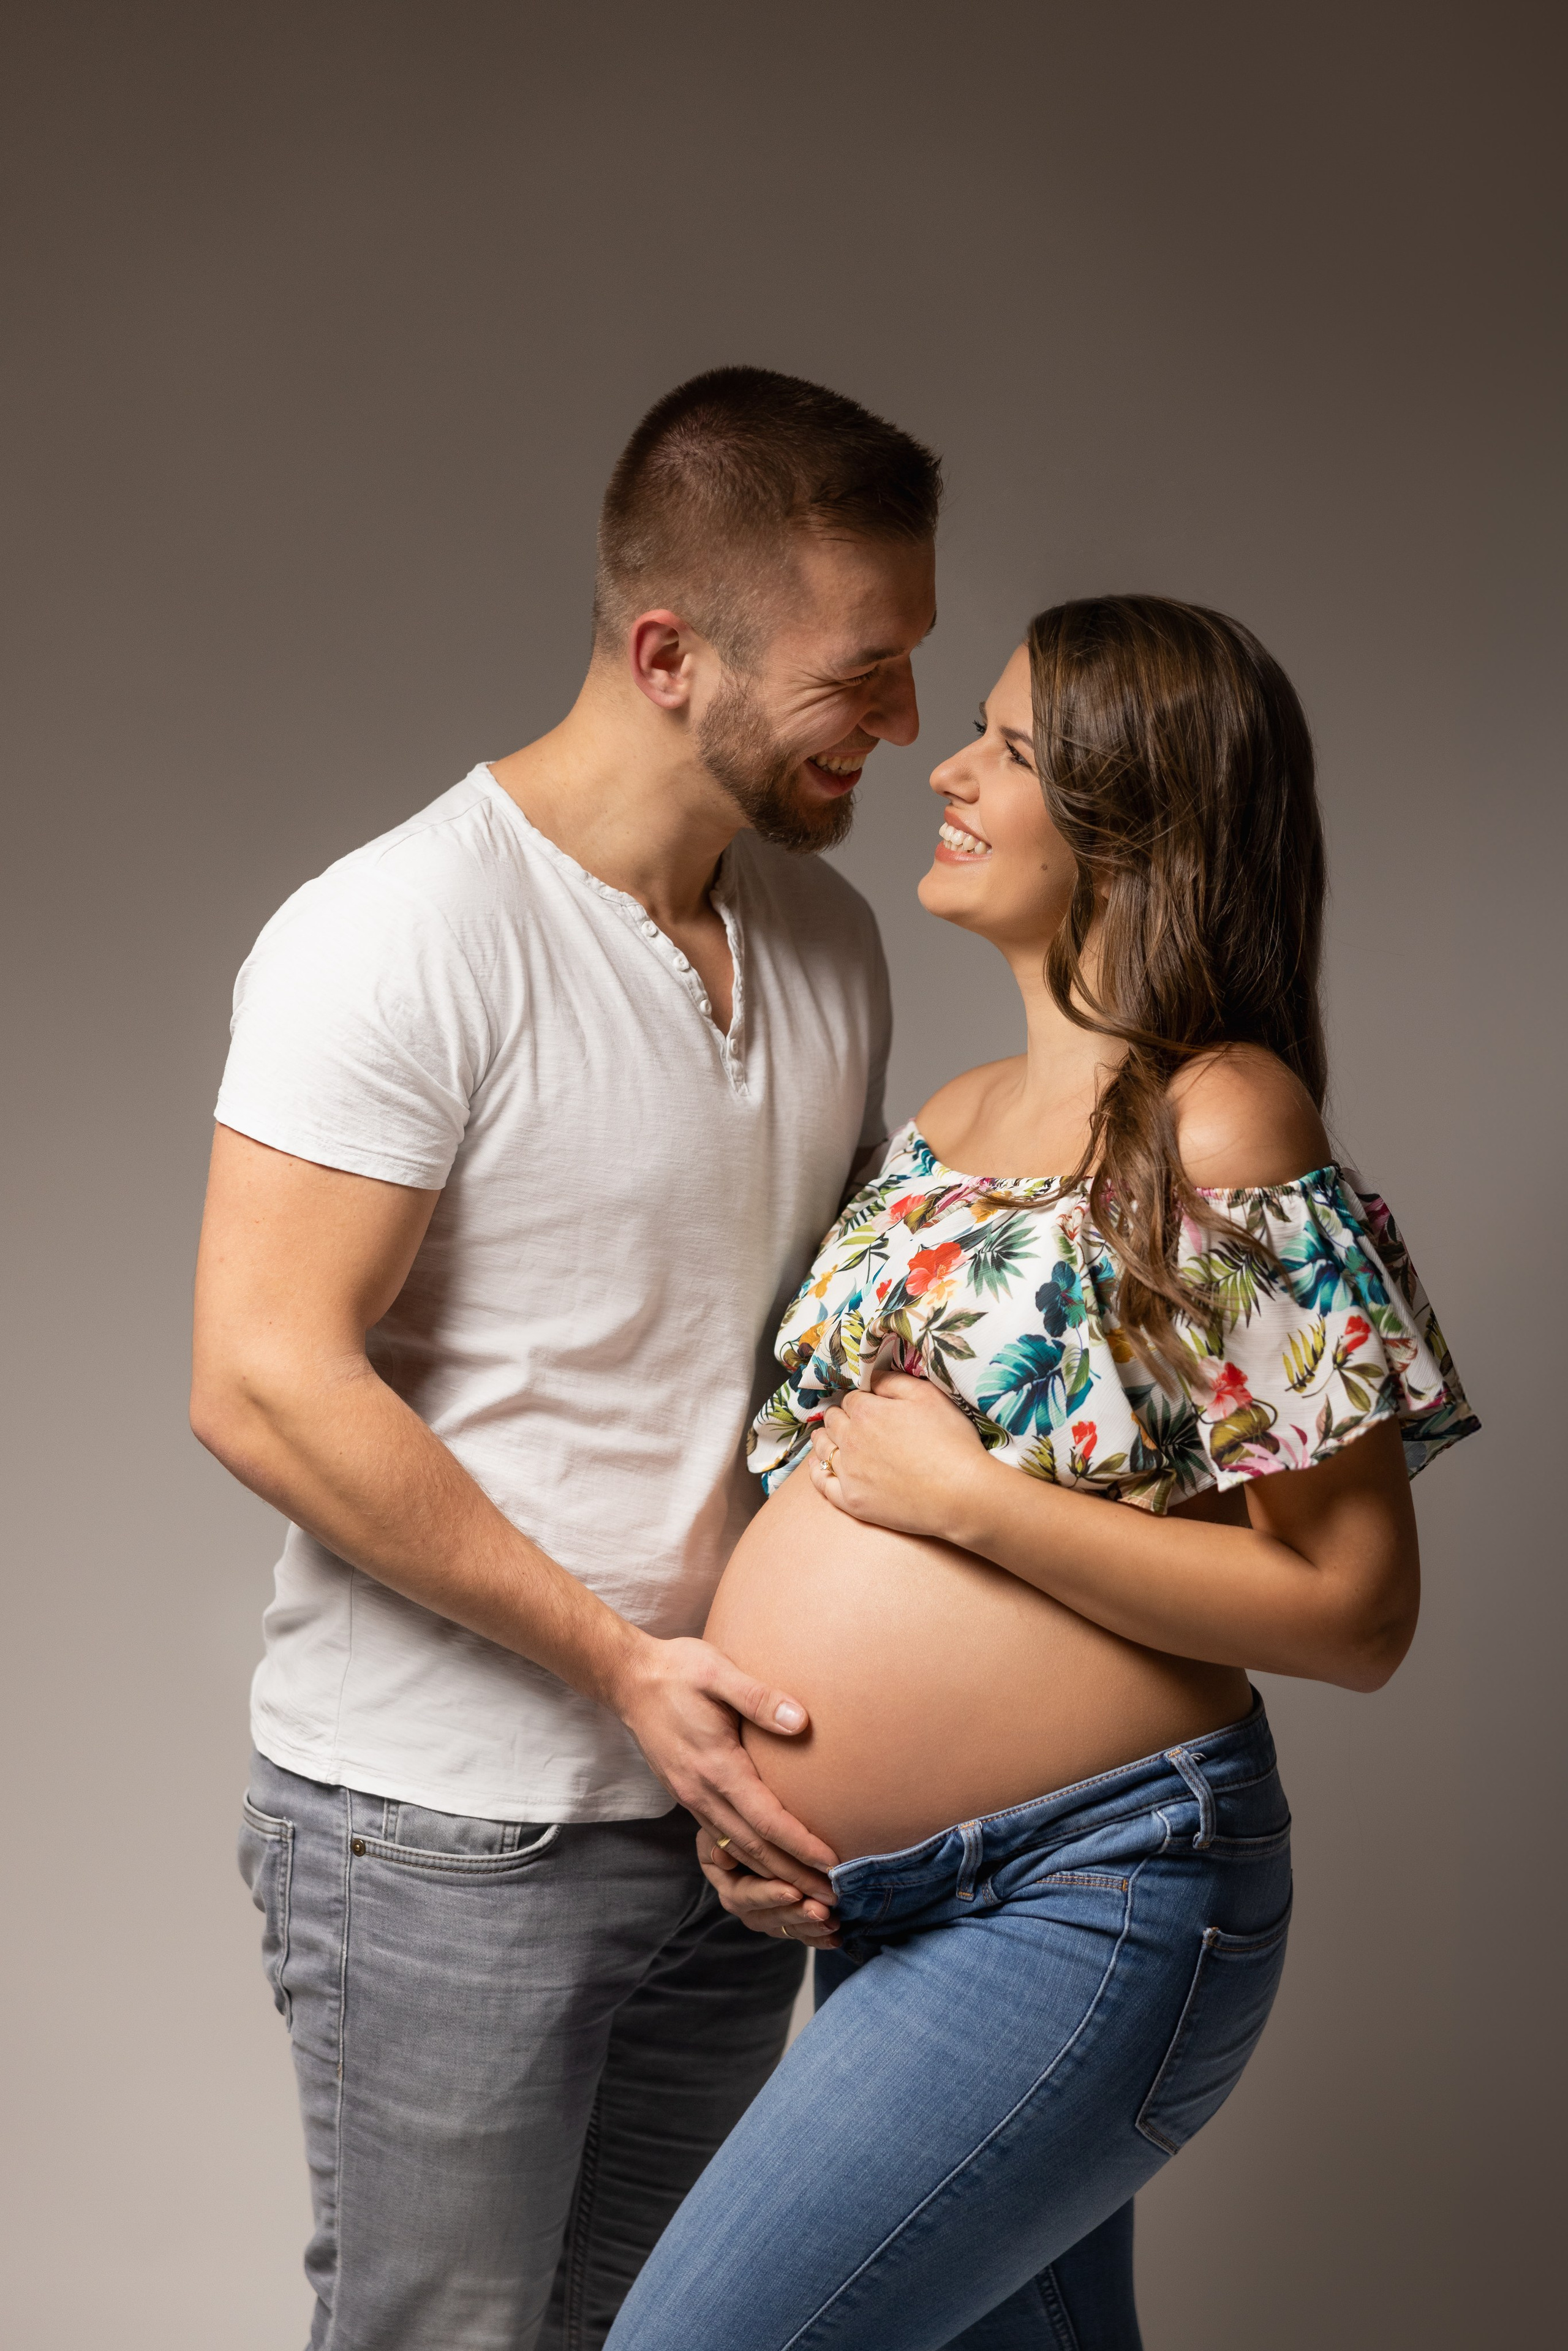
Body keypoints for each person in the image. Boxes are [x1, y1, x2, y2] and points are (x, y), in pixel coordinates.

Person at [605, 596, 1480, 2350]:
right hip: (886, 1907)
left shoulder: (1222, 1122)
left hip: (1094, 1888)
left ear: (1133, 816)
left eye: (1012, 748)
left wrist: (977, 1505)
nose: (951, 767)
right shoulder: (941, 1122)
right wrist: (773, 1822)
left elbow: (1356, 1607)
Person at [189, 366, 943, 2349]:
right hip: (445, 1831)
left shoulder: (836, 941)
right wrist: (625, 1667)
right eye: (865, 675)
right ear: (672, 651)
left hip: (718, 1828)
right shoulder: (398, 932)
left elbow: (810, 1383)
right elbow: (263, 1377)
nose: (910, 727)